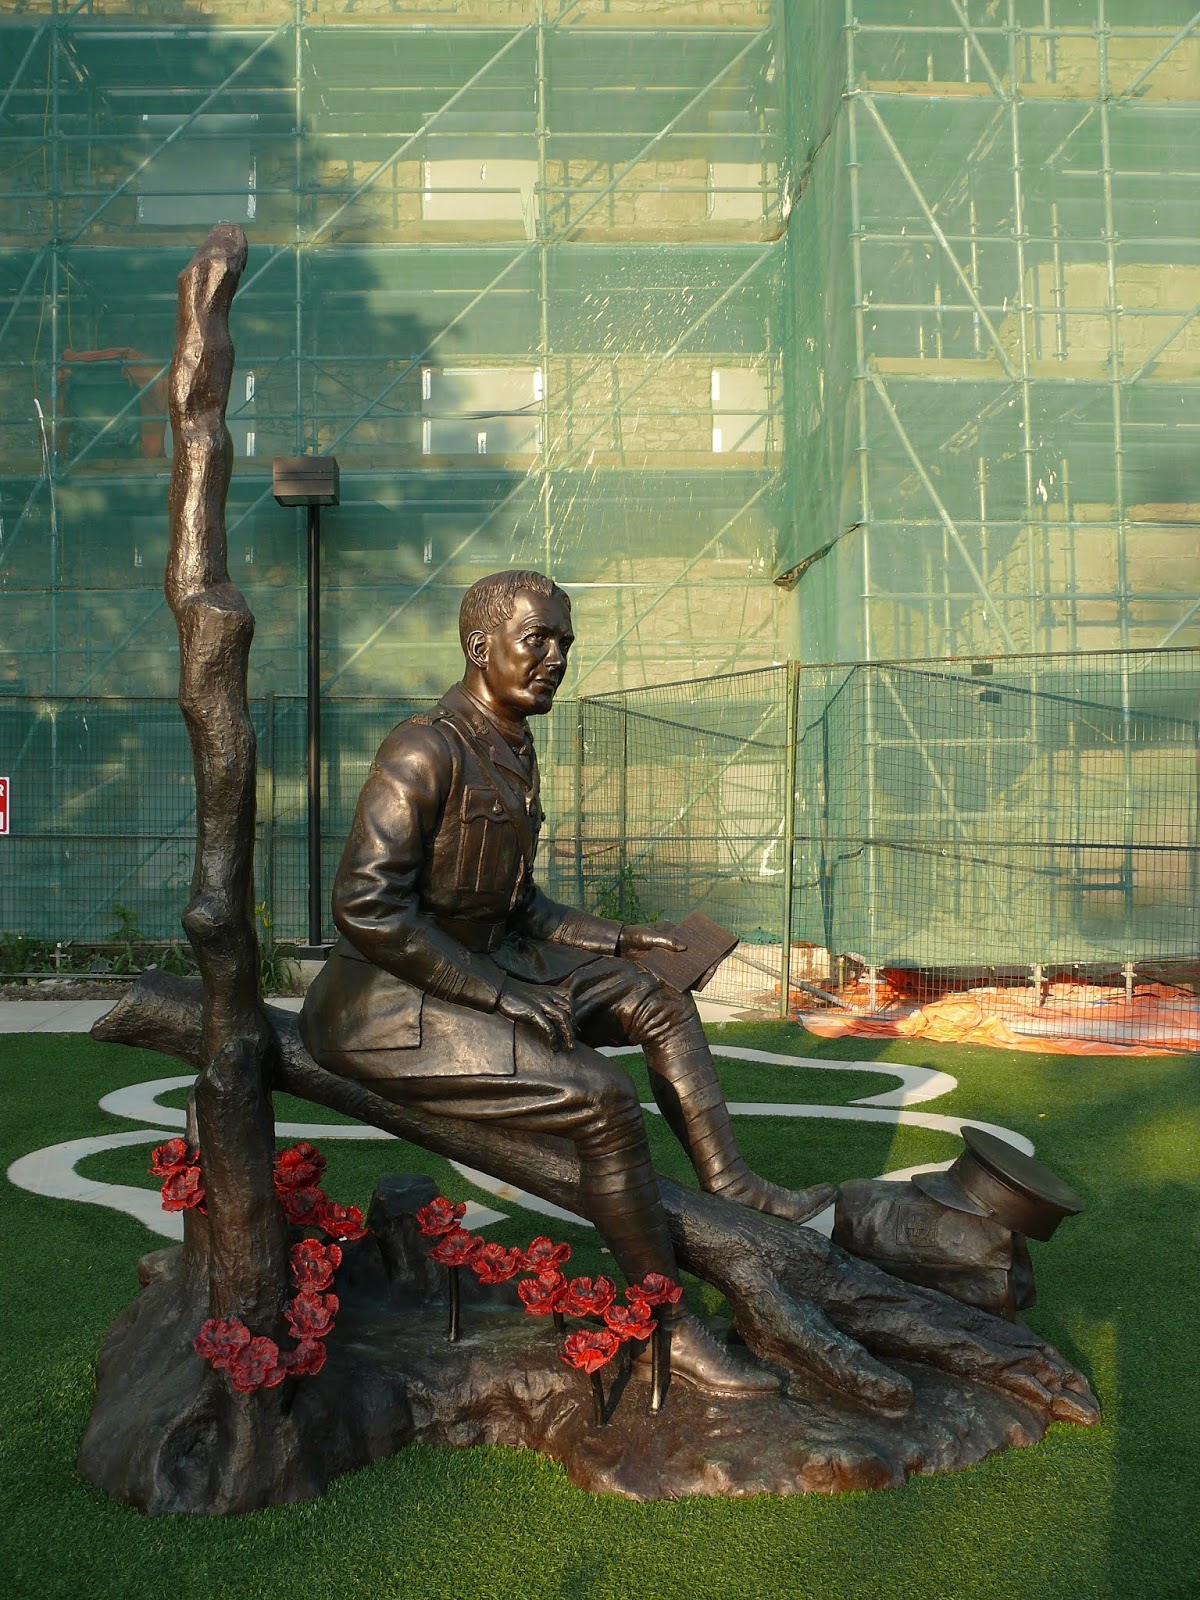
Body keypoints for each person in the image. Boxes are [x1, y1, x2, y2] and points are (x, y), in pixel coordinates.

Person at [301, 569, 833, 1395]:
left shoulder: (511, 746)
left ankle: (731, 1183)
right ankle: (669, 1326)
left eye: (564, 644)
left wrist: (623, 938)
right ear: (481, 648)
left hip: (488, 956)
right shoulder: (425, 747)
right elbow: (365, 908)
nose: (555, 658)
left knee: (654, 996)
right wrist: (504, 997)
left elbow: (519, 905)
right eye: (537, 641)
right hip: (386, 1004)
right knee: (600, 1098)